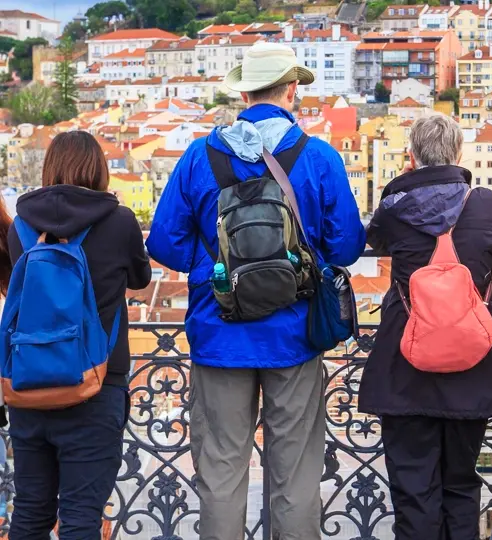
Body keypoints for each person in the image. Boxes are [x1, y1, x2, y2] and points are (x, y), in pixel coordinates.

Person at [147, 43, 365, 539]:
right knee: (296, 476)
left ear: (243, 92)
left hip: (219, 332)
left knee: (221, 473)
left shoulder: (200, 157)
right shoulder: (319, 158)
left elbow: (163, 242)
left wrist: (212, 268)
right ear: (292, 90)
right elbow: (348, 244)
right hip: (295, 334)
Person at [358, 114, 492, 540]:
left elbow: (374, 241)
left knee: (413, 489)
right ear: (459, 154)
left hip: (406, 364)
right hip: (471, 362)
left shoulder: (394, 206)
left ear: (411, 157)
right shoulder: (484, 203)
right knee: (461, 484)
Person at [6, 131, 151, 539]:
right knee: (81, 516)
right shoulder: (119, 221)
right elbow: (140, 278)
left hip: (30, 384)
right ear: (99, 168)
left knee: (31, 510)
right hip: (95, 383)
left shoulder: (20, 225)